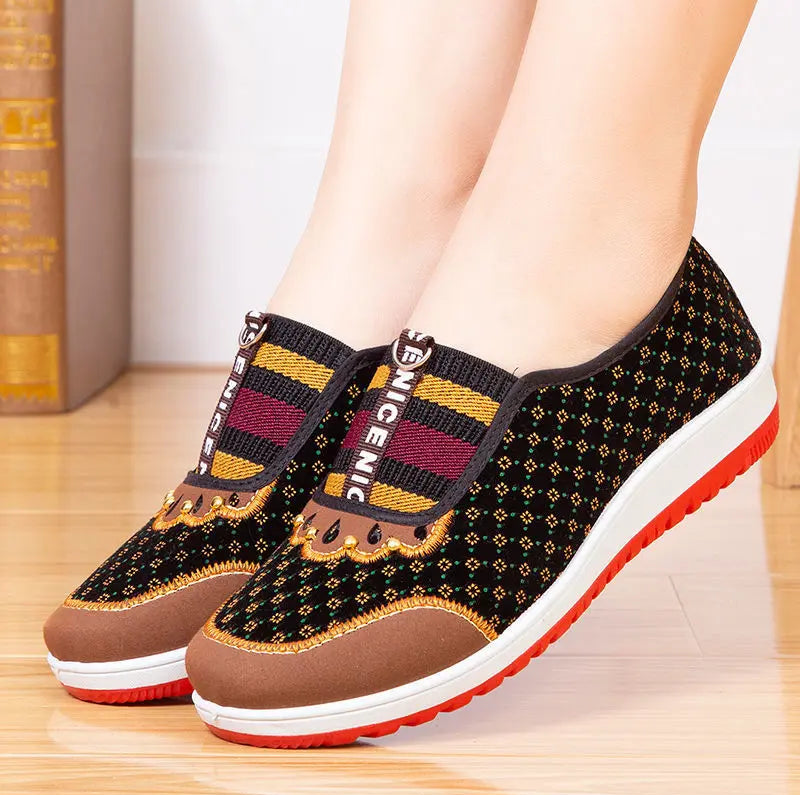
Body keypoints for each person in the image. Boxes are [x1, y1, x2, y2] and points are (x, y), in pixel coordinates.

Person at [45, 0, 777, 748]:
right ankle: (416, 206)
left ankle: (590, 237)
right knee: (400, 175)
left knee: (557, 185)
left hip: (592, 278)